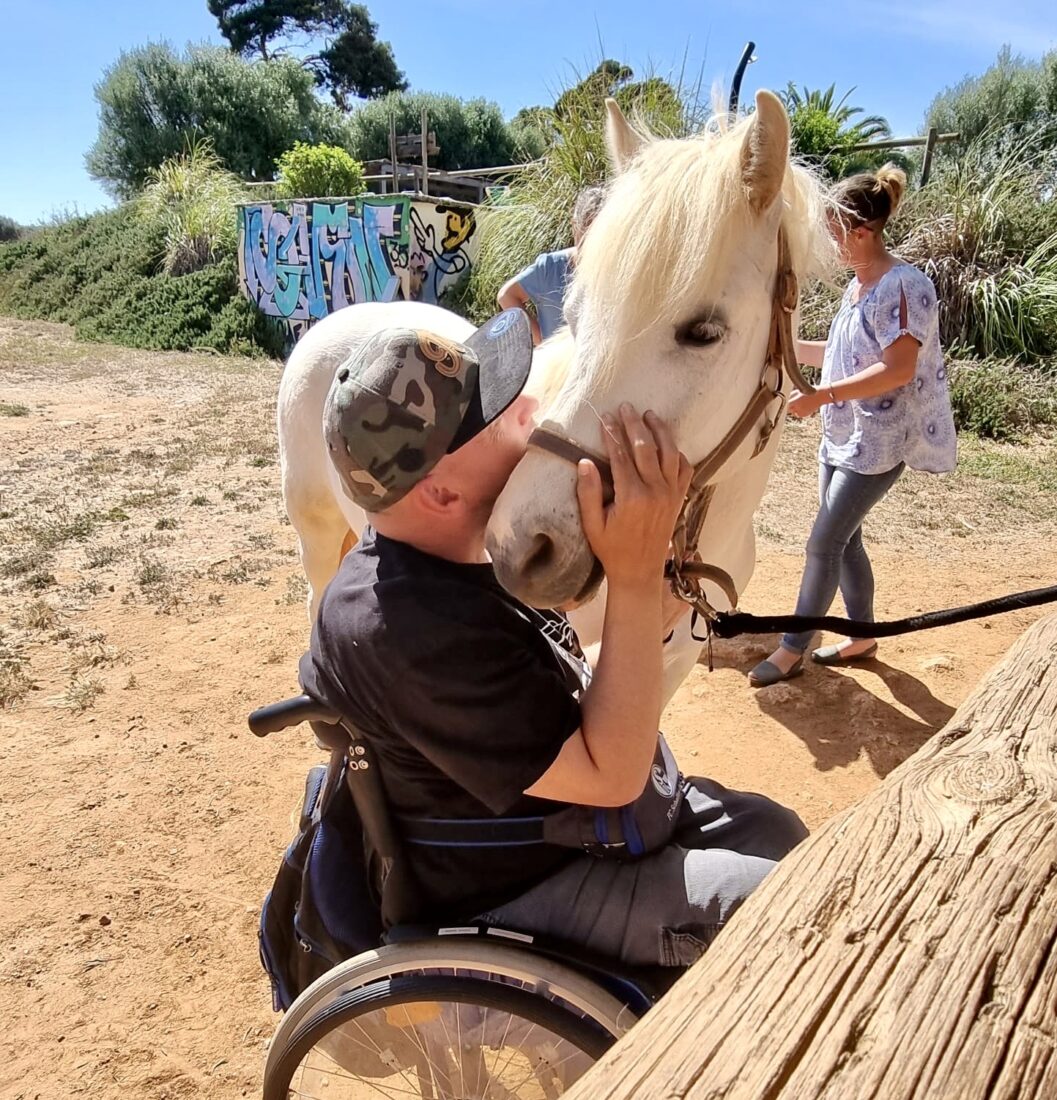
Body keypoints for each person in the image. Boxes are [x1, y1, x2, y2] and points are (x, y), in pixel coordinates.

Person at [300, 308, 807, 968]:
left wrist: (651, 592)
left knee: (784, 834)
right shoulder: (408, 631)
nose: (532, 408)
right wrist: (627, 578)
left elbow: (564, 679)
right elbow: (612, 776)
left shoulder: (454, 561)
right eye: (500, 415)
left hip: (561, 826)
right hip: (518, 884)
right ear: (441, 494)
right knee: (785, 906)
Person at [749, 165, 957, 688]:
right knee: (848, 541)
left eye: (835, 234)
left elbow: (898, 367)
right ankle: (862, 636)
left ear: (862, 232)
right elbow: (842, 354)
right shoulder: (858, 288)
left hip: (878, 445)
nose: (830, 244)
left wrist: (823, 395)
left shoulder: (904, 286)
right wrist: (782, 346)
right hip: (843, 436)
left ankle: (795, 646)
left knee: (823, 544)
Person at [496, 185, 606, 345]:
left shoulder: (617, 273)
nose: (591, 243)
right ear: (574, 226)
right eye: (585, 233)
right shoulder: (550, 268)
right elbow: (506, 295)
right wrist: (540, 340)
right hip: (556, 368)